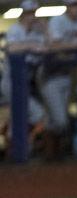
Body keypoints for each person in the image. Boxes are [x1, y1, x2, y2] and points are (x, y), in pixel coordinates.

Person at [42, 0, 77, 159]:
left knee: (58, 120)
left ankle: (50, 153)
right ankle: (48, 149)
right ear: (67, 6)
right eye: (74, 5)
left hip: (67, 74)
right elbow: (55, 46)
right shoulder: (57, 20)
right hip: (50, 74)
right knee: (60, 120)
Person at [1, 0, 47, 157]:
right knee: (30, 114)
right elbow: (11, 48)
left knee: (27, 116)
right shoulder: (15, 29)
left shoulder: (37, 33)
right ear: (23, 14)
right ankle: (17, 148)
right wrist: (30, 46)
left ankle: (15, 148)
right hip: (11, 81)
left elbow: (49, 46)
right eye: (29, 13)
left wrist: (47, 29)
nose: (32, 17)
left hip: (27, 83)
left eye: (34, 13)